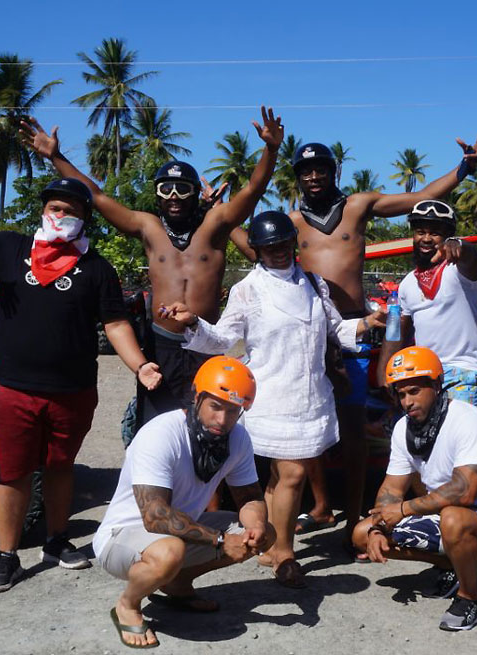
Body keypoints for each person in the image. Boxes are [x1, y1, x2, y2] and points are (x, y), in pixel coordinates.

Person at [234, 135, 477, 553]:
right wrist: (220, 216)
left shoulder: (358, 205)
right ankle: (312, 512)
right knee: (302, 433)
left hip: (355, 331)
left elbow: (419, 197)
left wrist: (463, 170)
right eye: (306, 171)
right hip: (313, 334)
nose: (314, 176)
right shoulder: (291, 224)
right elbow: (252, 243)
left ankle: (353, 523)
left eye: (321, 168)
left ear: (335, 171)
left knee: (352, 436)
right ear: (297, 178)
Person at [160, 211, 386, 587]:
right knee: (293, 474)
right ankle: (284, 552)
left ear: (293, 243)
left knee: (281, 476)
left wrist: (364, 324)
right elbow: (224, 340)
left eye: (283, 244)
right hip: (273, 398)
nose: (277, 251)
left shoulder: (314, 283)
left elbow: (334, 328)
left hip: (310, 397)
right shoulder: (248, 290)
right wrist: (193, 323)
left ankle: (266, 544)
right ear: (257, 250)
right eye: (268, 247)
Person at [20, 107, 283, 430]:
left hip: (205, 342)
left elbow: (253, 190)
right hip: (162, 344)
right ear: (156, 195)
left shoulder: (215, 225)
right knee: (156, 428)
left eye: (182, 189)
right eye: (165, 189)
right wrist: (56, 156)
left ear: (194, 194)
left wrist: (271, 150)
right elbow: (97, 196)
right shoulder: (149, 227)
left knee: (210, 428)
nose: (174, 197)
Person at [0, 178, 162, 593]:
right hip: (13, 386)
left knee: (60, 466)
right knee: (12, 471)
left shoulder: (97, 269)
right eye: (55, 208)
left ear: (85, 219)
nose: (61, 216)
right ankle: (6, 555)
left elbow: (116, 323)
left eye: (71, 211)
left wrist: (140, 365)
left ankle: (56, 541)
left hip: (73, 390)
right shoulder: (9, 249)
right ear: (42, 211)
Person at [93, 356, 274, 648]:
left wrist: (255, 528)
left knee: (265, 533)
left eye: (233, 411)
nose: (223, 420)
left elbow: (250, 496)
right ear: (196, 396)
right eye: (215, 406)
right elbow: (155, 516)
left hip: (176, 532)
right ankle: (127, 605)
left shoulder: (238, 438)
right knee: (170, 553)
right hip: (121, 536)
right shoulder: (161, 433)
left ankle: (176, 584)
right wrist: (220, 540)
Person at [352, 346, 477, 631]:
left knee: (453, 517)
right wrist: (378, 529)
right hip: (444, 514)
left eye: (414, 391)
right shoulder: (403, 429)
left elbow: (465, 491)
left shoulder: (469, 420)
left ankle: (470, 599)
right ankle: (450, 564)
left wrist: (403, 509)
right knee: (361, 534)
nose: (407, 402)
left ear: (437, 385)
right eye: (401, 395)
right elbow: (391, 489)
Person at [377, 199, 477, 406]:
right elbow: (394, 330)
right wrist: (384, 375)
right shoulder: (407, 283)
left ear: (446, 237)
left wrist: (459, 245)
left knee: (459, 427)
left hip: (461, 371)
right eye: (420, 232)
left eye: (435, 233)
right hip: (423, 373)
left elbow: (471, 258)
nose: (426, 239)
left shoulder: (461, 271)